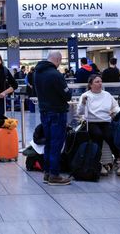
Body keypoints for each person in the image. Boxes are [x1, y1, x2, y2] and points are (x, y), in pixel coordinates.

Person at [34, 50, 72, 185]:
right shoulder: (55, 74)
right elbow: (67, 95)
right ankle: (54, 175)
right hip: (57, 112)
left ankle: (47, 172)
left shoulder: (37, 73)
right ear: (58, 60)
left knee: (48, 142)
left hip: (44, 111)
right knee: (57, 143)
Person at [77, 74, 120, 176]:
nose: (100, 83)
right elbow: (80, 112)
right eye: (97, 82)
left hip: (105, 121)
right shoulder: (85, 96)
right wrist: (83, 103)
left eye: (101, 81)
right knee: (97, 135)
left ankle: (119, 161)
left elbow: (116, 107)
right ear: (90, 85)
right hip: (91, 121)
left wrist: (116, 112)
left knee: (111, 136)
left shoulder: (107, 95)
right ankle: (98, 163)